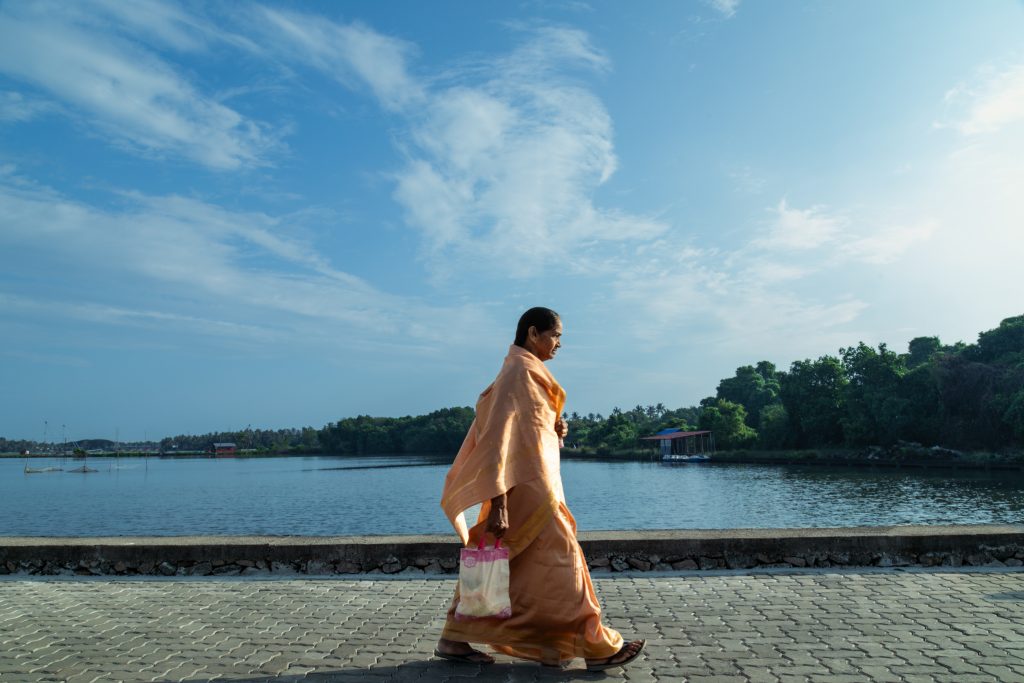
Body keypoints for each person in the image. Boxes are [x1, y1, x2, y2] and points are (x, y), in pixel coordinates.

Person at [434, 307, 645, 671]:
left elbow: (526, 432)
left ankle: (454, 638)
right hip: (525, 490)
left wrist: (554, 429)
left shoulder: (527, 373)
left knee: (517, 565)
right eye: (556, 335)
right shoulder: (517, 373)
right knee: (561, 559)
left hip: (537, 485)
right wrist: (497, 503)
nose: (559, 344)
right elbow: (496, 441)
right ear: (534, 333)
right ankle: (596, 643)